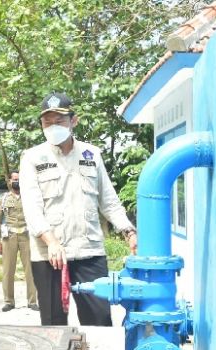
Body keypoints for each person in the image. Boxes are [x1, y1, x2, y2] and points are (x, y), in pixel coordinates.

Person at [20, 92, 138, 326]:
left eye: (59, 121)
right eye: (47, 122)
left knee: (100, 320)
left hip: (89, 251)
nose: (53, 126)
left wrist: (129, 231)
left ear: (74, 121)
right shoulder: (32, 157)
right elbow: (32, 209)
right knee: (53, 324)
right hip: (49, 254)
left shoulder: (91, 154)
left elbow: (108, 200)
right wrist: (51, 241)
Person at [0, 171, 38, 312]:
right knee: (8, 271)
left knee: (31, 270)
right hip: (9, 237)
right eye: (14, 179)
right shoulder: (4, 198)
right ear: (10, 181)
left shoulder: (29, 197)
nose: (16, 181)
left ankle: (32, 301)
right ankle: (9, 301)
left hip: (27, 236)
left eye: (18, 179)